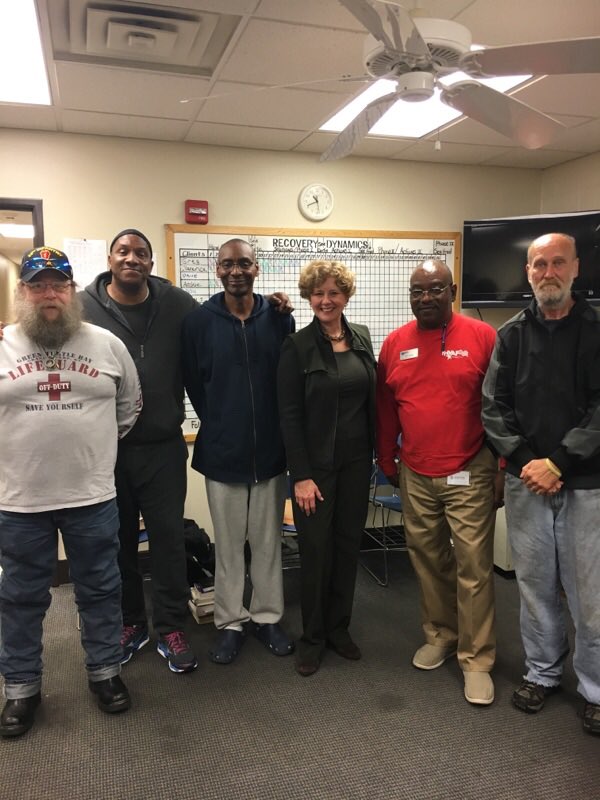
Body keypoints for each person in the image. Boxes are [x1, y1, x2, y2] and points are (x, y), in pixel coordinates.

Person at [0, 246, 142, 738]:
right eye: (38, 285)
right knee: (20, 598)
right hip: (20, 501)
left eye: (58, 284)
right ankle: (21, 688)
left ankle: (105, 673)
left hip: (92, 497)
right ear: (23, 292)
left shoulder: (106, 345)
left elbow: (129, 407)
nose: (49, 294)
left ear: (72, 290)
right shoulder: (2, 344)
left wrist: (92, 452)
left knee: (101, 590)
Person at [482, 232, 600, 736]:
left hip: (587, 483)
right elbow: (494, 407)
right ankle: (543, 673)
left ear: (576, 268)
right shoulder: (511, 334)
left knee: (591, 593)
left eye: (558, 263)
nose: (548, 273)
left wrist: (560, 462)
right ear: (527, 272)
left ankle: (595, 689)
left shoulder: (596, 329)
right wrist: (530, 462)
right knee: (534, 586)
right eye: (539, 264)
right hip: (526, 481)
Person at [377, 259, 500, 706]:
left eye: (434, 289)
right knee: (427, 560)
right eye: (417, 291)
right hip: (415, 470)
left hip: (470, 467)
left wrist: (502, 468)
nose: (425, 298)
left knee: (473, 565)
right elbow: (386, 408)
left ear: (452, 291)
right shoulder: (395, 344)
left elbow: (501, 406)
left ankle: (477, 659)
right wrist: (387, 458)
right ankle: (442, 634)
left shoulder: (483, 337)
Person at [81, 229, 200, 674]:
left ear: (151, 262)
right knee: (119, 543)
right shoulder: (83, 306)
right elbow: (46, 338)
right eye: (123, 251)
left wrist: (271, 306)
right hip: (108, 449)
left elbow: (218, 322)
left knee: (169, 541)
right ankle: (131, 623)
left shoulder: (177, 304)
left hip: (164, 449)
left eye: (141, 253)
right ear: (110, 259)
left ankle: (170, 626)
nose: (132, 258)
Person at [181, 238, 295, 665]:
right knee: (228, 546)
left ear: (256, 268)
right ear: (217, 270)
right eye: (227, 264)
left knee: (267, 543)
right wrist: (222, 422)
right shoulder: (198, 322)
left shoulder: (279, 318)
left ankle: (267, 617)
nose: (236, 271)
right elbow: (195, 383)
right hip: (223, 452)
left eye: (244, 263)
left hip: (270, 452)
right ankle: (230, 622)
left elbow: (287, 379)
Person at [277, 260, 376, 677]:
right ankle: (313, 638)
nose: (326, 300)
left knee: (348, 546)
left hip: (357, 464)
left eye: (334, 292)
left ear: (346, 296)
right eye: (318, 293)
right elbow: (288, 414)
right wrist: (300, 475)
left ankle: (338, 629)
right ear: (309, 297)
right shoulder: (297, 346)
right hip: (314, 471)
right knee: (316, 551)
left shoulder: (362, 338)